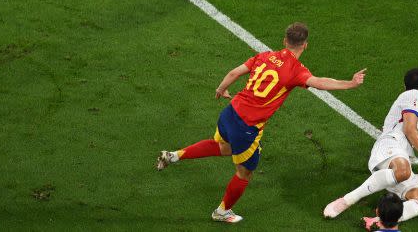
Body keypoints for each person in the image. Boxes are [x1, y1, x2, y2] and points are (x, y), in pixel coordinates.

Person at [156, 22, 366, 223]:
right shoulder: (296, 70)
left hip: (229, 113)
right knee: (244, 172)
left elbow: (234, 73)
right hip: (246, 128)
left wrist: (221, 89)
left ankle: (174, 156)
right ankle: (222, 212)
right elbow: (320, 83)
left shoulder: (265, 56)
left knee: (223, 146)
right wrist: (350, 84)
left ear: (285, 41)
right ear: (305, 45)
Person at [323, 68, 418, 226]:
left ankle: (380, 222)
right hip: (390, 145)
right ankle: (346, 201)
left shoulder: (407, 97)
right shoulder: (414, 95)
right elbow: (409, 129)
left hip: (399, 153)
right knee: (403, 171)